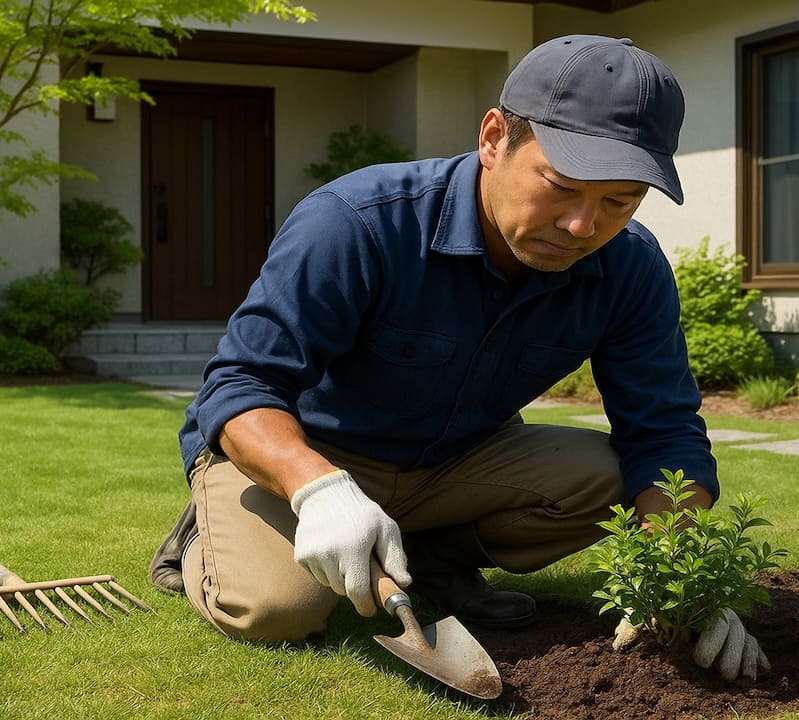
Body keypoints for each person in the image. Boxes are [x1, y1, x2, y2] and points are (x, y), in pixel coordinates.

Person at [150, 34, 767, 682]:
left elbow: (664, 431)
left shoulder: (629, 268)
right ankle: (202, 536)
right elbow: (241, 383)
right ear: (495, 138)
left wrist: (677, 576)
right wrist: (319, 488)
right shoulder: (356, 222)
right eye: (562, 186)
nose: (584, 226)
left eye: (620, 201)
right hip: (310, 457)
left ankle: (433, 555)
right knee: (277, 611)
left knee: (622, 480)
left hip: (459, 460)